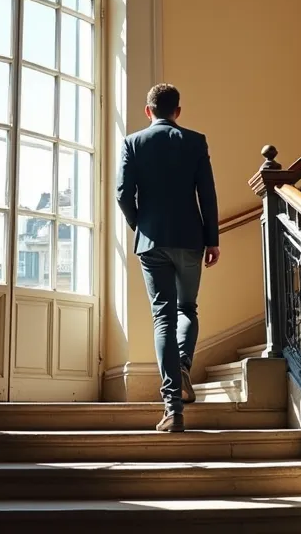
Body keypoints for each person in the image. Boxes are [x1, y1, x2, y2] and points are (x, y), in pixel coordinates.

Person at [117, 83, 220, 432]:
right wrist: (212, 240)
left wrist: (139, 225)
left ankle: (173, 410)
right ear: (178, 111)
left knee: (164, 318)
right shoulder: (195, 141)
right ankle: (183, 365)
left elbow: (122, 194)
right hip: (191, 239)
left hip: (152, 241)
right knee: (186, 309)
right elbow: (207, 193)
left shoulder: (133, 142)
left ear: (149, 111)